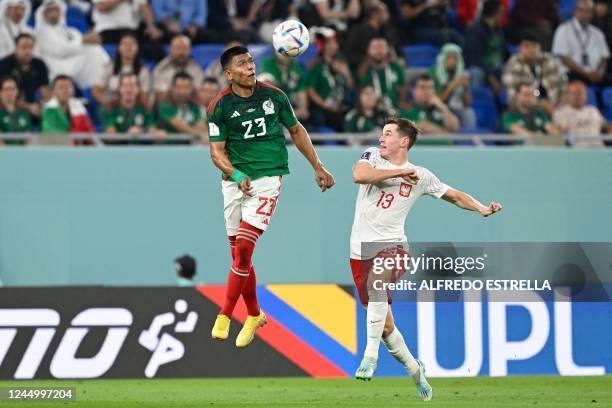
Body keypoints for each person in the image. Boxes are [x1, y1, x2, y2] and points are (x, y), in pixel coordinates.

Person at [350, 118, 502, 400]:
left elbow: (454, 195)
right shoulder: (372, 157)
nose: (381, 138)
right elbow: (359, 176)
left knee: (377, 283)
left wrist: (481, 208)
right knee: (385, 327)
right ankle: (415, 369)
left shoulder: (421, 175)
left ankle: (369, 357)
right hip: (360, 253)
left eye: (388, 134)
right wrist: (398, 173)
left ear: (403, 141)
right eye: (382, 133)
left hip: (394, 248)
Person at [208, 45, 335, 347]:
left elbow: (296, 130)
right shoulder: (218, 106)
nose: (250, 67)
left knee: (242, 252)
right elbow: (216, 152)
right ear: (229, 74)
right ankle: (254, 314)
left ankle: (224, 315)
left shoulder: (275, 96)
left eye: (251, 61)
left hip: (267, 178)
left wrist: (318, 166)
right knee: (238, 256)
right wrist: (236, 174)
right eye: (242, 64)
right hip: (235, 182)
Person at [35, 0, 110, 90]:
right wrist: (83, 40)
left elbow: (80, 43)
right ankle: (96, 86)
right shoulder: (42, 32)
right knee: (92, 51)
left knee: (94, 48)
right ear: (44, 14)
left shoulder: (69, 30)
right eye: (50, 11)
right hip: (58, 66)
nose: (53, 14)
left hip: (72, 61)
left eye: (56, 10)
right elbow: (60, 51)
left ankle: (106, 71)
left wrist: (87, 40)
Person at [503, 33, 568, 116]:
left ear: (539, 47)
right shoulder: (513, 65)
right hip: (529, 110)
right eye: (527, 46)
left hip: (556, 106)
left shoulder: (549, 60)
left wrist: (561, 103)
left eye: (534, 46)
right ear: (520, 48)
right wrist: (542, 105)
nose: (531, 50)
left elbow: (563, 84)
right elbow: (512, 96)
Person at [552, 0, 611, 86]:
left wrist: (599, 72)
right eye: (581, 10)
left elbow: (604, 57)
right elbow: (563, 57)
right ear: (574, 11)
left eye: (588, 11)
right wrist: (585, 73)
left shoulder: (597, 33)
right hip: (572, 74)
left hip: (594, 74)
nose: (585, 14)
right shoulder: (563, 30)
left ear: (592, 13)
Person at [307, 27, 354, 131]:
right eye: (330, 43)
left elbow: (350, 85)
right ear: (323, 45)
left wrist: (345, 73)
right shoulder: (315, 64)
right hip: (322, 108)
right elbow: (310, 90)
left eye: (335, 43)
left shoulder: (341, 63)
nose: (334, 46)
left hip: (340, 106)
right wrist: (326, 106)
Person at [93, 33, 152, 110]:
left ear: (137, 48)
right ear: (118, 48)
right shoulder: (109, 67)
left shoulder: (143, 70)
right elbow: (96, 91)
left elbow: (144, 96)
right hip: (111, 107)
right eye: (124, 44)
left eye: (132, 44)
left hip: (134, 109)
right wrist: (107, 103)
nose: (128, 47)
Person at [0, 33, 50, 117]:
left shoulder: (39, 64)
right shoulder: (4, 65)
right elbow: (4, 96)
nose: (27, 51)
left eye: (30, 47)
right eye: (23, 47)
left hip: (34, 106)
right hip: (9, 108)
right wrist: (27, 107)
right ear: (16, 48)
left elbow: (45, 90)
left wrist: (44, 106)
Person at [101, 73, 163, 141]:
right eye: (125, 86)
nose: (129, 90)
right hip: (116, 149)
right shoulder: (110, 107)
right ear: (119, 88)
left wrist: (144, 131)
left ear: (138, 89)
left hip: (139, 149)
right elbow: (111, 135)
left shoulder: (145, 108)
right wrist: (128, 134)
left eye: (132, 86)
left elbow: (152, 129)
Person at [344, 1, 402, 71]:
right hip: (362, 68)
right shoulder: (358, 31)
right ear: (375, 14)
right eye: (384, 12)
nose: (387, 15)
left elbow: (395, 50)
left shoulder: (387, 30)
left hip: (385, 67)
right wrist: (371, 59)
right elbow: (349, 54)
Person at [464, 0, 506, 94]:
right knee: (476, 72)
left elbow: (504, 52)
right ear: (495, 13)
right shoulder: (475, 30)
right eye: (501, 12)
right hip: (482, 68)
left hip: (498, 68)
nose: (503, 15)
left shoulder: (498, 30)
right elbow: (474, 58)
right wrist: (490, 76)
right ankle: (476, 101)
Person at [357, 36, 407, 114]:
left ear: (388, 50)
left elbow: (403, 86)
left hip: (394, 110)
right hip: (373, 112)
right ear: (368, 50)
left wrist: (400, 103)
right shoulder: (364, 70)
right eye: (375, 47)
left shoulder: (395, 68)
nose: (378, 51)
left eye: (381, 47)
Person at [430, 43, 476, 128]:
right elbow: (436, 100)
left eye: (455, 59)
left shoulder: (462, 74)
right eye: (448, 58)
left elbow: (468, 103)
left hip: (457, 107)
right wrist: (452, 86)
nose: (452, 61)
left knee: (469, 113)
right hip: (438, 108)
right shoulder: (434, 73)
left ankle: (469, 140)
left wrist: (465, 88)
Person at [553, 80, 611, 147]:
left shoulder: (593, 110)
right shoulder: (561, 112)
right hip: (577, 150)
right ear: (568, 95)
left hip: (598, 148)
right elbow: (558, 130)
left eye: (582, 93)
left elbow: (606, 126)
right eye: (575, 93)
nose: (579, 96)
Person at [258, 52, 310, 122]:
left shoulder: (295, 66)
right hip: (270, 110)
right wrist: (290, 113)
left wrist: (303, 108)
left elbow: (300, 91)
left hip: (289, 107)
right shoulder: (268, 64)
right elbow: (268, 95)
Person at [152, 35, 204, 103]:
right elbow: (160, 98)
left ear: (190, 50)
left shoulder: (197, 69)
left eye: (185, 48)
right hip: (167, 110)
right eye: (178, 48)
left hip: (191, 109)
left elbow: (200, 96)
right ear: (170, 49)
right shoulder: (161, 69)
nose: (181, 52)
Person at [157, 72, 206, 141]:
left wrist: (204, 132)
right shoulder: (165, 105)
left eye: (186, 87)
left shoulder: (195, 107)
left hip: (191, 147)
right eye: (179, 87)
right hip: (169, 147)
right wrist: (199, 134)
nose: (182, 91)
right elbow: (179, 126)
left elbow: (200, 124)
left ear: (191, 88)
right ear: (172, 87)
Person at [399, 0, 464, 48]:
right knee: (444, 37)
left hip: (434, 27)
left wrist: (441, 3)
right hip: (416, 30)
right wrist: (426, 6)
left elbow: (446, 8)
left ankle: (464, 62)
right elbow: (406, 15)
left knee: (455, 35)